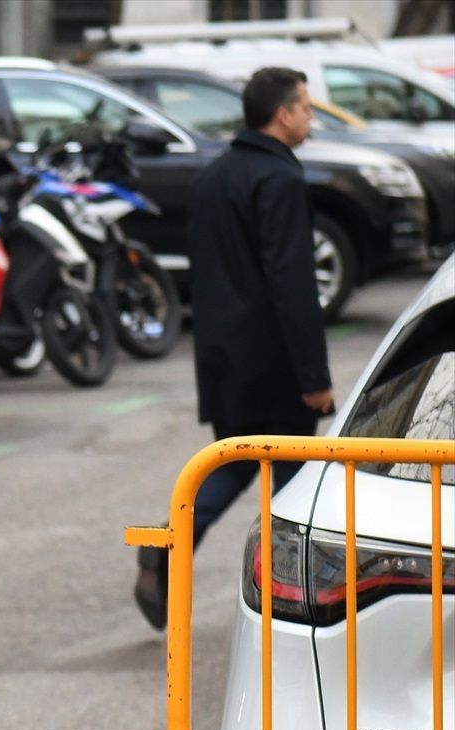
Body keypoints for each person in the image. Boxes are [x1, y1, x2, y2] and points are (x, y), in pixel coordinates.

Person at [133, 66, 332, 628]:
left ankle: (167, 547)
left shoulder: (212, 177)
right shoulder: (281, 180)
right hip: (274, 362)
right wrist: (314, 376)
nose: (311, 119)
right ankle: (296, 601)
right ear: (283, 114)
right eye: (307, 108)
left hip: (223, 357)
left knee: (238, 463)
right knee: (297, 487)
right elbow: (291, 282)